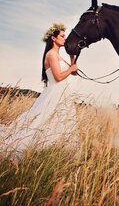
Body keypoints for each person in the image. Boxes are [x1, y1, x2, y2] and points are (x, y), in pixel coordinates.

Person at [0, 23, 78, 157]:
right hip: (53, 94)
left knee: (60, 124)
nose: (65, 39)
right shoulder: (51, 55)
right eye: (62, 36)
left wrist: (71, 58)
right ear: (53, 38)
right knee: (42, 122)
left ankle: (55, 152)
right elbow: (58, 77)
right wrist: (71, 69)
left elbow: (74, 72)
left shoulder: (59, 56)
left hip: (63, 95)